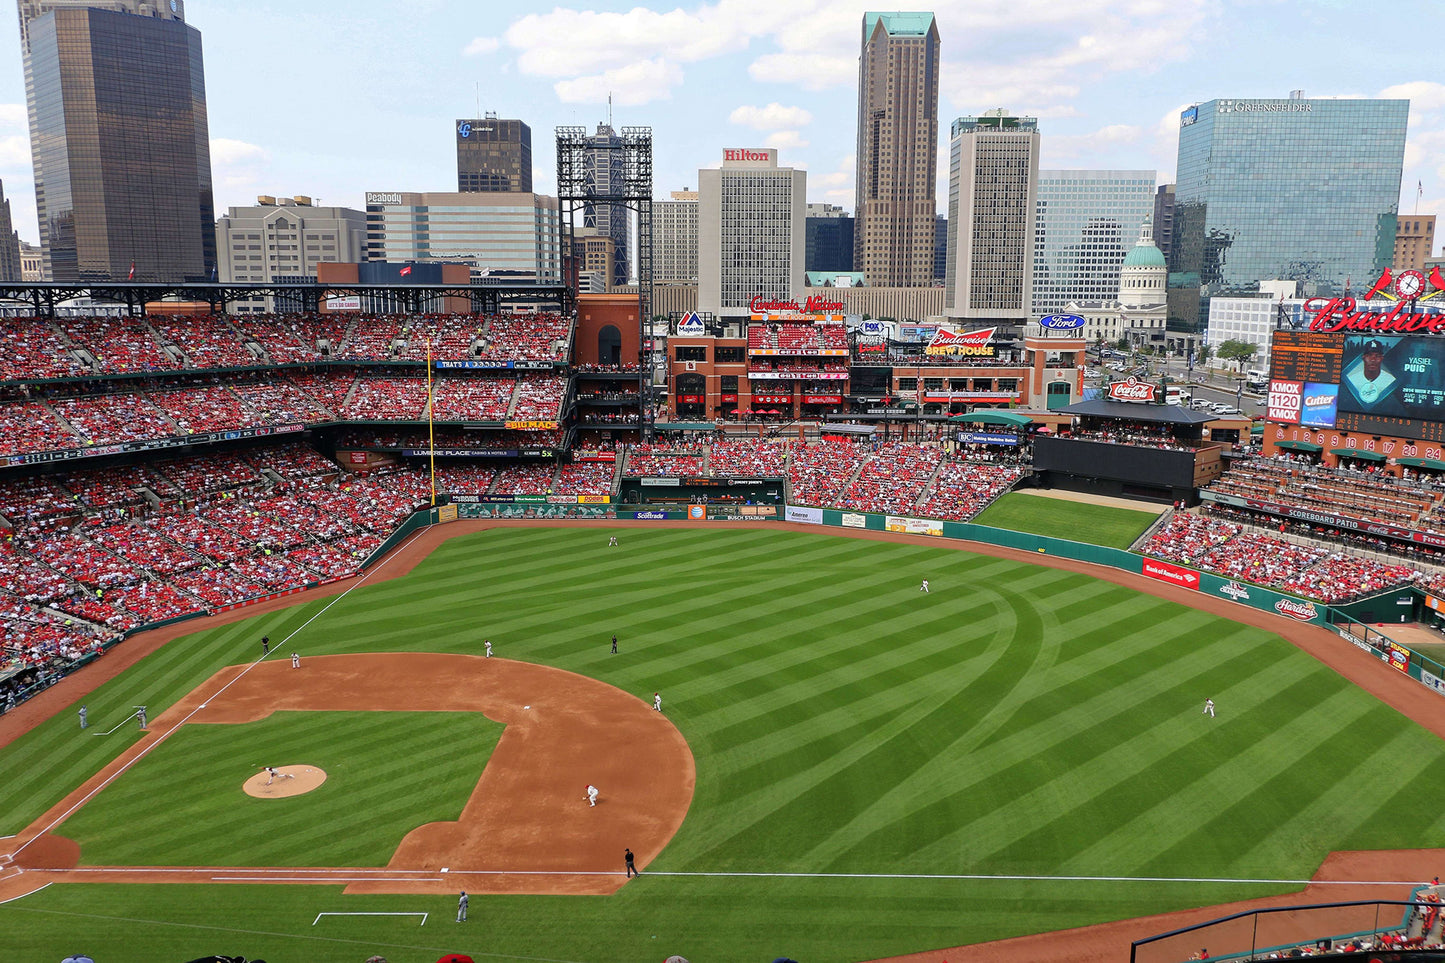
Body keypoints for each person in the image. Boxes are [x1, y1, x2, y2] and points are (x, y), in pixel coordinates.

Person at [1344, 338, 1399, 407]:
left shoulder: (1390, 380)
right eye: (1369, 355)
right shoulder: (1352, 379)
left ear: (1382, 358)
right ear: (1363, 358)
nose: (1373, 359)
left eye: (1377, 356)